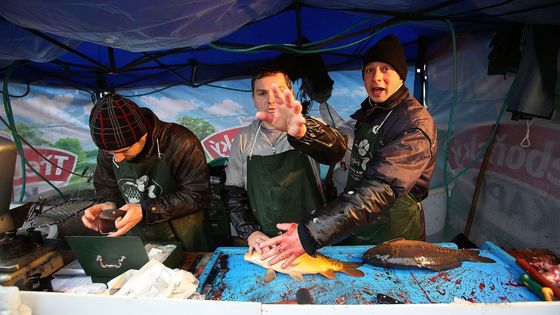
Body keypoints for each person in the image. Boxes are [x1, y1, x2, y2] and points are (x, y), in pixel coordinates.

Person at [260, 34, 438, 267]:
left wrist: (311, 232)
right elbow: (339, 150)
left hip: (395, 232)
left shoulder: (414, 122)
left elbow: (381, 188)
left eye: (386, 69)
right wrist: (304, 132)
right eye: (369, 70)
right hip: (356, 222)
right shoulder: (370, 112)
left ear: (401, 75)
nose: (376, 78)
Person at [225, 65, 346, 254]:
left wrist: (304, 134)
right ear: (253, 98)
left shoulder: (309, 126)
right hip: (266, 243)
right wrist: (250, 232)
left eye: (278, 92)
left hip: (312, 238)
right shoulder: (243, 139)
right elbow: (234, 194)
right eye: (262, 93)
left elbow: (336, 150)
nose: (271, 100)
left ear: (290, 93)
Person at [81, 93, 212, 251]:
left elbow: (197, 195)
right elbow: (106, 185)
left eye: (124, 150)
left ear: (143, 134)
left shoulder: (181, 142)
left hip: (185, 237)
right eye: (110, 153)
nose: (118, 159)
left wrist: (145, 210)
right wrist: (108, 204)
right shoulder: (111, 148)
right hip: (138, 241)